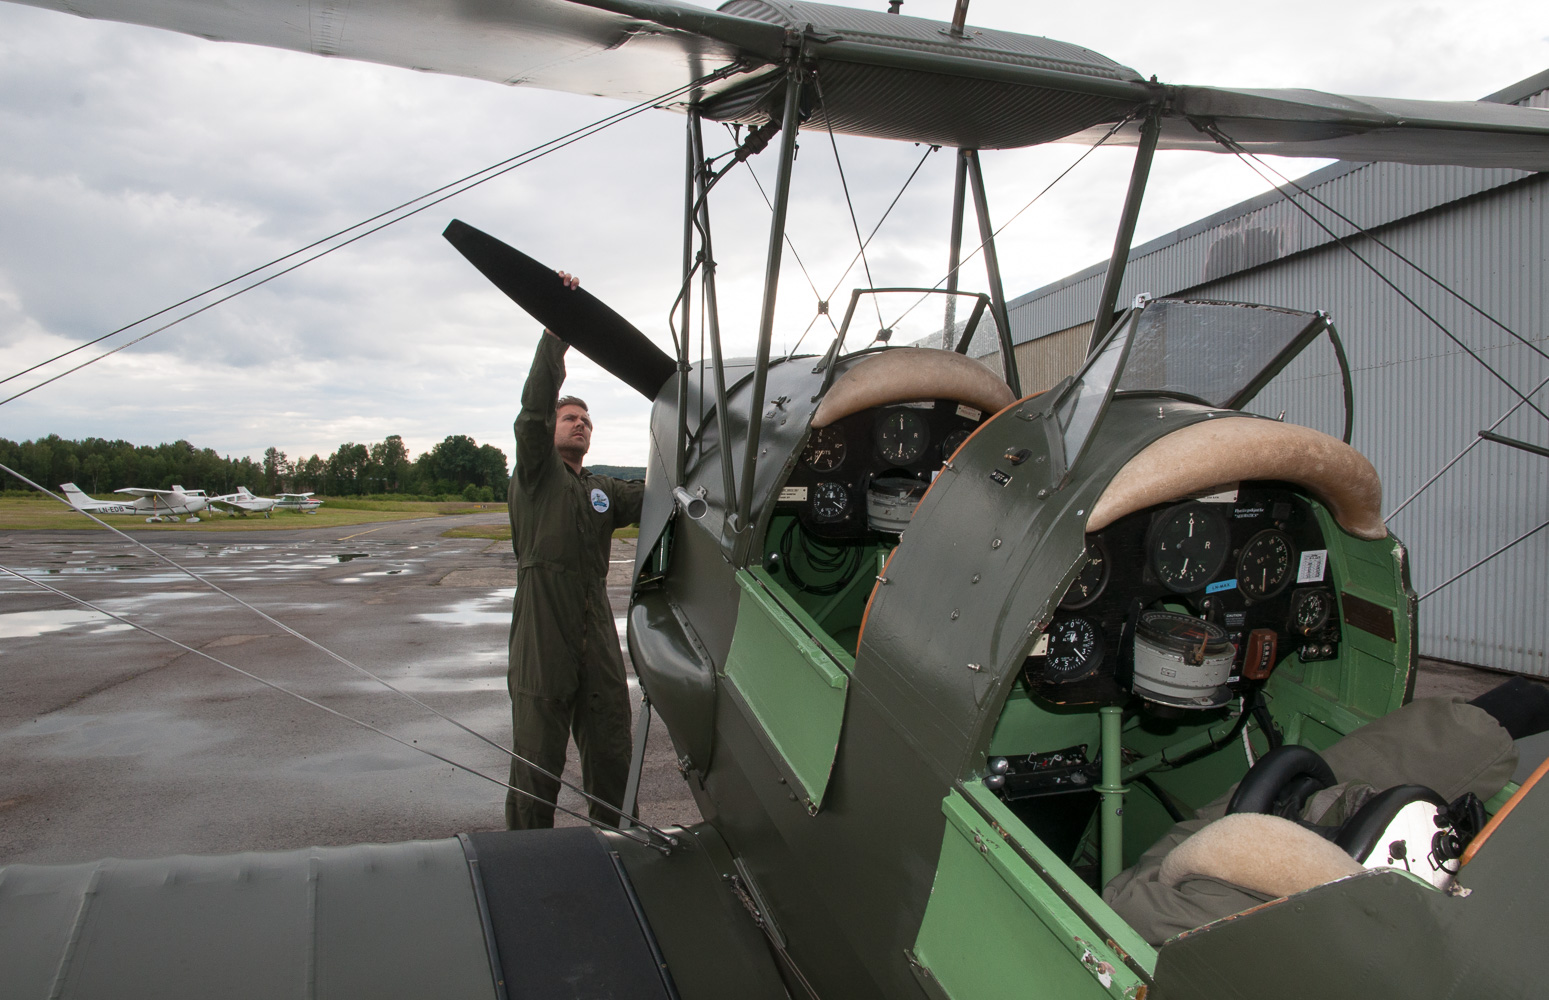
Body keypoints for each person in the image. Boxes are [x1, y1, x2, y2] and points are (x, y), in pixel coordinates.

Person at [506, 271, 644, 830]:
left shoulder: (600, 490)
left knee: (612, 745)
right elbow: (532, 410)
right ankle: (522, 857)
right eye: (571, 418)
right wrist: (556, 335)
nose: (581, 425)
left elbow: (656, 498)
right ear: (552, 428)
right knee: (538, 761)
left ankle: (622, 846)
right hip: (542, 630)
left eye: (587, 421)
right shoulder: (536, 474)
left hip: (595, 630)